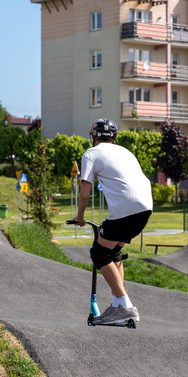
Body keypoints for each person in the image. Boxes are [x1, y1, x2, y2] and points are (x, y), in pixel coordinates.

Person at [71, 118, 153, 325]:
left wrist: (79, 217)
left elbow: (84, 193)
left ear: (93, 137)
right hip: (145, 207)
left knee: (99, 253)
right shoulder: (126, 152)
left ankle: (125, 306)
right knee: (114, 251)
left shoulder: (91, 154)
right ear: (113, 137)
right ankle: (117, 306)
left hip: (126, 209)